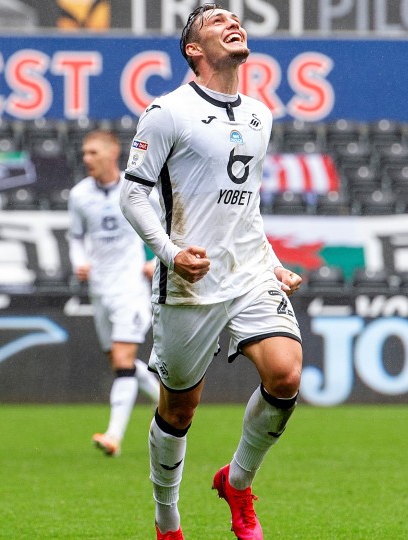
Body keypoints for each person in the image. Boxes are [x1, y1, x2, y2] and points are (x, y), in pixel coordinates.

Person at [119, 4, 304, 539]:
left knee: (286, 373)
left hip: (247, 272)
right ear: (194, 49)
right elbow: (133, 196)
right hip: (188, 280)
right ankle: (166, 517)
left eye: (234, 16)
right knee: (179, 408)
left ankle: (238, 482)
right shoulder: (167, 111)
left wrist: (269, 260)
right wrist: (171, 252)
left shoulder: (259, 114)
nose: (232, 21)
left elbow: (245, 206)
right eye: (214, 21)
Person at [68, 129, 161, 457]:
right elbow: (76, 236)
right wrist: (79, 262)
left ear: (112, 153)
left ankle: (113, 436)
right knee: (119, 362)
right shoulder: (79, 195)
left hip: (130, 289)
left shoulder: (135, 189)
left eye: (93, 152)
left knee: (122, 360)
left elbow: (162, 226)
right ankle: (165, 399)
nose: (86, 158)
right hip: (100, 289)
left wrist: (155, 261)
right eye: (84, 153)